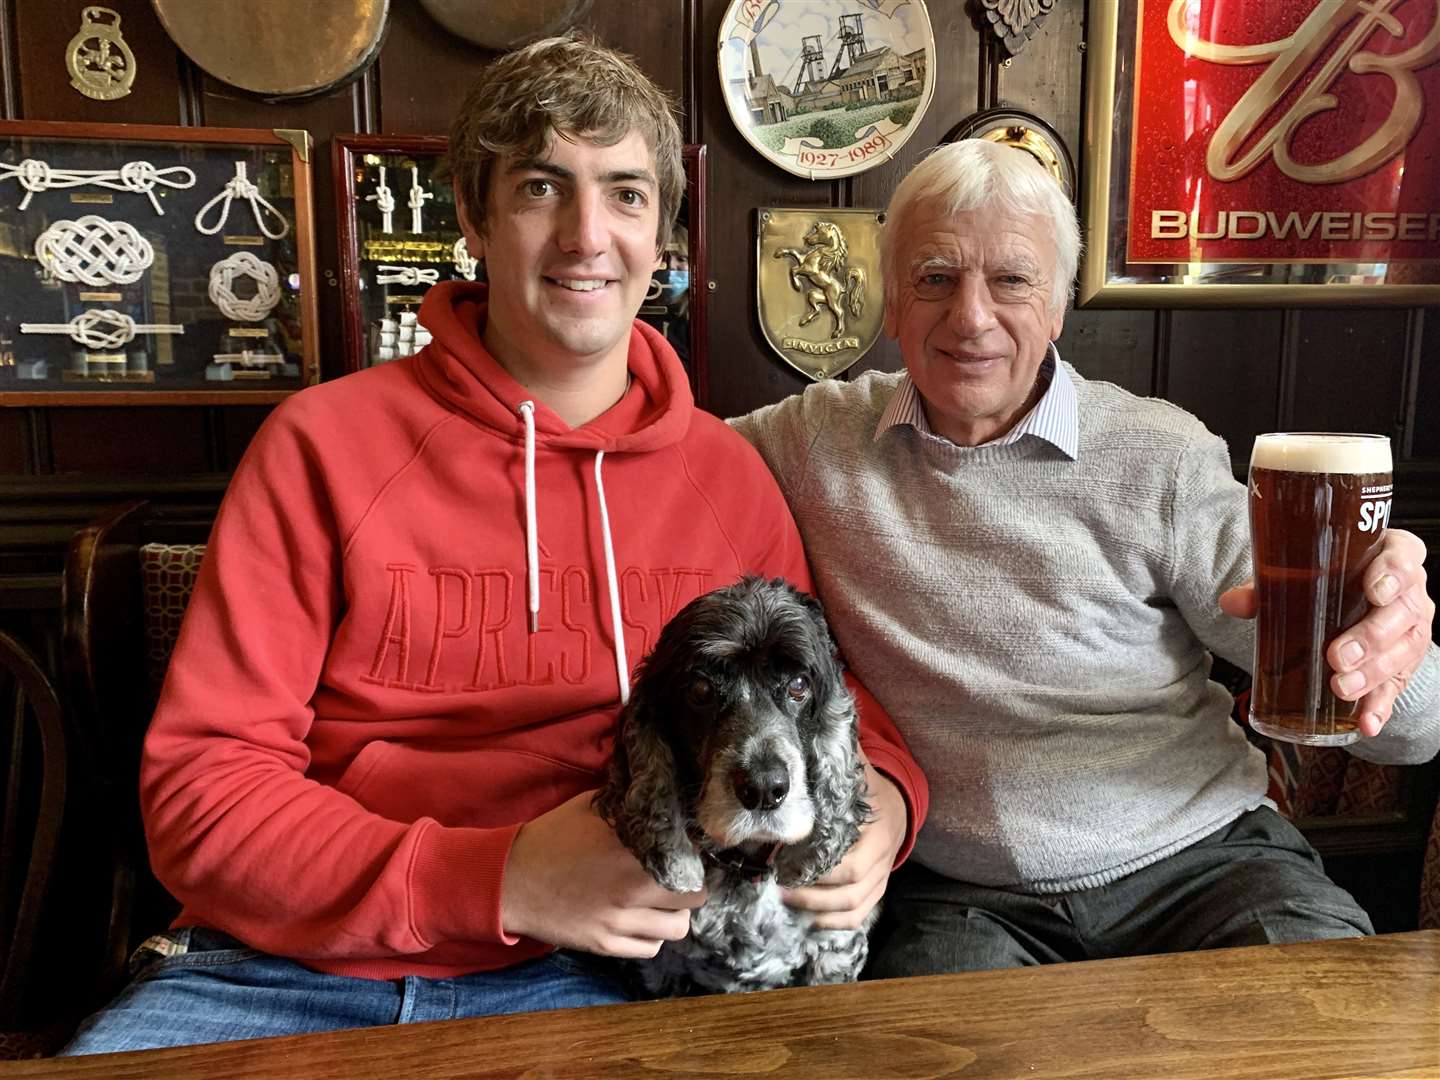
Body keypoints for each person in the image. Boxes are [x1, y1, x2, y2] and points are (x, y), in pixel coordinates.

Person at [61, 36, 926, 1055]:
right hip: (279, 969)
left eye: (627, 194)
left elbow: (832, 706)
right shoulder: (323, 446)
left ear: (663, 238)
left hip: (604, 974)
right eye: (540, 189)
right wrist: (496, 878)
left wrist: (887, 820)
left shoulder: (726, 475)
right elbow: (200, 798)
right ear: (472, 217)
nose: (587, 235)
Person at [732, 138, 1439, 976]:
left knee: (1327, 1022)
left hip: (1206, 864)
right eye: (934, 278)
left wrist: (1387, 630)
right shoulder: (812, 441)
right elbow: (654, 453)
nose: (971, 316)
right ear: (890, 302)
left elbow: (1412, 734)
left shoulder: (1158, 456)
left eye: (1012, 280)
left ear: (1061, 305)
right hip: (961, 895)